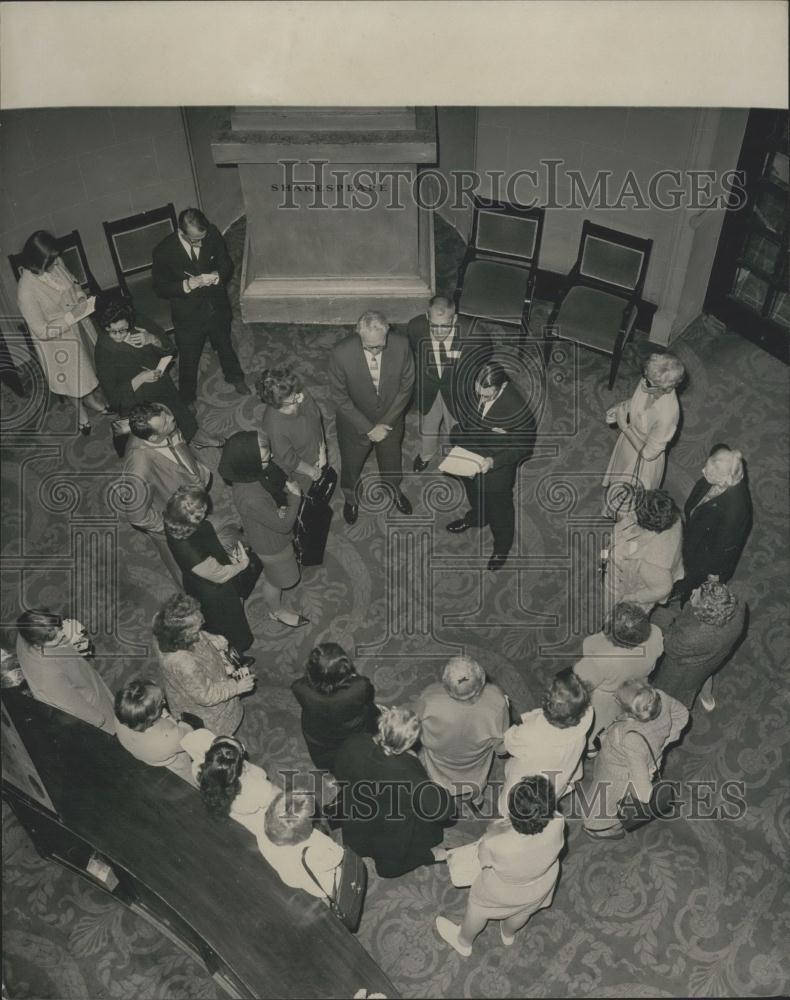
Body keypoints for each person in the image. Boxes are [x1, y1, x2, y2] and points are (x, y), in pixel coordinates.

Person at [435, 775, 565, 957]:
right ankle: (508, 932)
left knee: (477, 908)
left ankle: (463, 941)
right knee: (523, 911)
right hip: (542, 882)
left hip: (504, 889)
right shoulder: (559, 821)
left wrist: (495, 830)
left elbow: (483, 860)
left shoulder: (496, 842)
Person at [332, 706, 453, 878]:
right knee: (390, 865)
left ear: (381, 725)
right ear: (410, 743)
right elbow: (443, 811)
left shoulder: (354, 742)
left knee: (366, 839)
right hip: (393, 823)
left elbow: (340, 772)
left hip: (359, 808)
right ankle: (429, 856)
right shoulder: (410, 774)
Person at [94, 293, 220, 447]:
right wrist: (139, 379)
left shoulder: (138, 321)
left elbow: (170, 349)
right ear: (105, 327)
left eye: (124, 329)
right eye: (113, 331)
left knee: (178, 412)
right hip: (139, 401)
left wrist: (152, 339)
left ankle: (194, 435)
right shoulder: (103, 352)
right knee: (160, 434)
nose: (120, 335)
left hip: (161, 382)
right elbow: (114, 400)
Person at [151, 207, 249, 404]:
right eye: (196, 240)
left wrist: (217, 276)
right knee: (189, 360)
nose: (202, 243)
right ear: (181, 233)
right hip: (188, 316)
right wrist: (185, 285)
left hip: (216, 307)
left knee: (225, 345)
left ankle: (235, 377)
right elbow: (159, 288)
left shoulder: (211, 233)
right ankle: (187, 399)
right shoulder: (164, 251)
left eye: (203, 238)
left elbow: (226, 264)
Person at [15, 230, 108, 434]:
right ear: (37, 261)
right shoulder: (26, 290)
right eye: (52, 261)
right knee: (73, 379)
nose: (57, 264)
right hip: (57, 340)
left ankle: (91, 399)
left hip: (79, 325)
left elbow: (73, 284)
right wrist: (69, 317)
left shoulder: (54, 262)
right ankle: (81, 414)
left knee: (89, 368)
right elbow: (41, 330)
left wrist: (81, 298)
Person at [446, 360, 536, 571]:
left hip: (497, 467)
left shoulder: (518, 409)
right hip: (470, 455)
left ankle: (502, 546)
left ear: (501, 385)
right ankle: (477, 517)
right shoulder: (477, 387)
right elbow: (470, 415)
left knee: (500, 510)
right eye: (479, 392)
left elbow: (523, 447)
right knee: (474, 494)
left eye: (487, 395)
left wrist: (493, 461)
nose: (481, 398)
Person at [328, 310, 415, 525]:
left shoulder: (402, 344)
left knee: (392, 459)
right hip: (354, 422)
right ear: (358, 334)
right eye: (370, 347)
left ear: (388, 332)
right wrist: (368, 428)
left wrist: (385, 422)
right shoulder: (341, 353)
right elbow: (339, 397)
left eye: (381, 345)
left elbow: (407, 386)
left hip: (390, 420)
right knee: (351, 463)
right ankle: (351, 497)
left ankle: (393, 489)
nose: (376, 351)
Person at [218, 430, 309, 629]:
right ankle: (276, 611)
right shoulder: (251, 497)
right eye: (266, 459)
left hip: (269, 526)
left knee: (278, 572)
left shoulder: (249, 472)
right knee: (276, 580)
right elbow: (284, 526)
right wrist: (295, 497)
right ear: (249, 462)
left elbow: (275, 482)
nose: (272, 459)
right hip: (272, 544)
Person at [582, 681, 689, 840]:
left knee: (600, 806)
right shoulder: (659, 697)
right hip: (639, 758)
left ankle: (599, 829)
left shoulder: (630, 738)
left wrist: (633, 784)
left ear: (628, 710)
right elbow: (682, 714)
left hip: (620, 772)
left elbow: (643, 794)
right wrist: (663, 743)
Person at [120, 402, 211, 583]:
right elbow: (137, 516)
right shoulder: (139, 468)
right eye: (166, 422)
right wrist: (171, 525)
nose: (171, 418)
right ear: (153, 438)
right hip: (174, 519)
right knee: (185, 569)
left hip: (187, 497)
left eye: (166, 415)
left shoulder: (163, 416)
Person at [164, 486, 256, 652]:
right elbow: (220, 575)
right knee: (230, 622)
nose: (206, 512)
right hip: (214, 590)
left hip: (198, 578)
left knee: (220, 619)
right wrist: (242, 564)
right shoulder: (191, 553)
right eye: (202, 511)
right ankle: (238, 650)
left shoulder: (172, 521)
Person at [406, 296, 492, 472]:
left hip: (457, 389)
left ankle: (454, 456)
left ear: (454, 319)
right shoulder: (416, 326)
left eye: (444, 326)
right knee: (428, 425)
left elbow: (485, 353)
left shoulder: (473, 332)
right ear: (427, 317)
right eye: (434, 326)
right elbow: (414, 349)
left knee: (455, 426)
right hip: (428, 388)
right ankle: (426, 455)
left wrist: (474, 378)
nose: (438, 332)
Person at [152, 593, 255, 735]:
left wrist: (209, 637)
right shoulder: (184, 664)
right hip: (205, 706)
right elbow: (206, 695)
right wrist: (236, 687)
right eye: (197, 628)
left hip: (199, 674)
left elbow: (192, 632)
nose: (203, 620)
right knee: (220, 730)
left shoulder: (164, 623)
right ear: (185, 636)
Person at [415, 656, 509, 801]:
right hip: (474, 765)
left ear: (446, 686)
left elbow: (414, 723)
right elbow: (501, 748)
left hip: (440, 761)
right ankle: (476, 797)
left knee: (435, 776)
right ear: (482, 679)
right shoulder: (497, 700)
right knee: (476, 781)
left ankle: (442, 794)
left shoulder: (430, 696)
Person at [573, 602, 663, 752]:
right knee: (613, 719)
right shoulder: (656, 633)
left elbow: (581, 680)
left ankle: (590, 747)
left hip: (604, 698)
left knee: (596, 723)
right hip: (634, 689)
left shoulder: (599, 655)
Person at [602, 352, 684, 514]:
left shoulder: (668, 415)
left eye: (649, 382)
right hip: (628, 443)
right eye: (644, 376)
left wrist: (624, 426)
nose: (643, 383)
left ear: (666, 388)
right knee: (618, 478)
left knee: (630, 499)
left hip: (642, 458)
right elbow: (636, 402)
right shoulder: (649, 380)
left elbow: (648, 453)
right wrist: (621, 408)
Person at [500, 668, 593, 810]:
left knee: (512, 803)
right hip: (561, 769)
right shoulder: (587, 715)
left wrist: (512, 721)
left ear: (547, 703)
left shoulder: (531, 732)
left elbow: (509, 743)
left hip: (531, 777)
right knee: (552, 791)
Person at [653, 576, 746, 712]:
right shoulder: (738, 607)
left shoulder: (690, 636)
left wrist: (659, 616)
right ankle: (707, 698)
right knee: (705, 674)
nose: (693, 591)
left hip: (684, 670)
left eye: (694, 597)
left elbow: (669, 645)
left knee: (669, 695)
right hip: (714, 657)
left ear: (703, 612)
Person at [674, 445, 752, 604]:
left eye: (709, 472)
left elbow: (725, 547)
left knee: (694, 583)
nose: (703, 472)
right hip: (697, 538)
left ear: (726, 480)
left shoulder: (736, 509)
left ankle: (685, 596)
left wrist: (714, 574)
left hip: (707, 557)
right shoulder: (714, 479)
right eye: (706, 466)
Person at [15, 609, 115, 733]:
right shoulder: (47, 675)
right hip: (91, 705)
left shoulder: (27, 629)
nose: (61, 634)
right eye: (54, 637)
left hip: (79, 678)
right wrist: (99, 719)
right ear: (37, 644)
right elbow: (72, 704)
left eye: (58, 627)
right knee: (114, 725)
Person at [291, 643, 379, 772]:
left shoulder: (299, 688)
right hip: (354, 730)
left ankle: (332, 769)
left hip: (318, 734)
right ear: (344, 669)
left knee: (327, 757)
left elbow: (303, 683)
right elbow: (368, 696)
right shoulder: (360, 686)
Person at [181, 729, 278, 834]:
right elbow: (281, 799)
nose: (231, 736)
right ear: (241, 768)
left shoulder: (197, 768)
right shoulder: (260, 788)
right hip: (252, 812)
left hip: (230, 808)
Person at [605, 489, 684, 612]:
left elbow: (663, 589)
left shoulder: (653, 564)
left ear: (642, 520)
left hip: (627, 589)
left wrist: (630, 598)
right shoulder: (666, 515)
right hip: (621, 570)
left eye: (633, 507)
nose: (628, 507)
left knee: (614, 615)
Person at [259, 791, 345, 900]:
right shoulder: (315, 843)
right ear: (303, 830)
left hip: (304, 882)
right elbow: (339, 854)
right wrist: (320, 834)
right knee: (367, 870)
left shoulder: (263, 839)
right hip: (334, 888)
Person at [257, 366, 328, 495]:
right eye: (291, 402)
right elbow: (289, 460)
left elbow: (316, 418)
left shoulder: (297, 393)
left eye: (296, 396)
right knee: (312, 493)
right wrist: (312, 472)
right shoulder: (274, 427)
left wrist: (322, 449)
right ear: (276, 404)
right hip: (304, 467)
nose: (298, 402)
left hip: (317, 451)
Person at [113, 678, 196, 784]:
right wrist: (172, 720)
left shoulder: (120, 715)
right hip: (174, 766)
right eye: (161, 701)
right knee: (191, 780)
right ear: (153, 715)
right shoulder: (169, 737)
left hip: (145, 756)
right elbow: (189, 733)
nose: (164, 701)